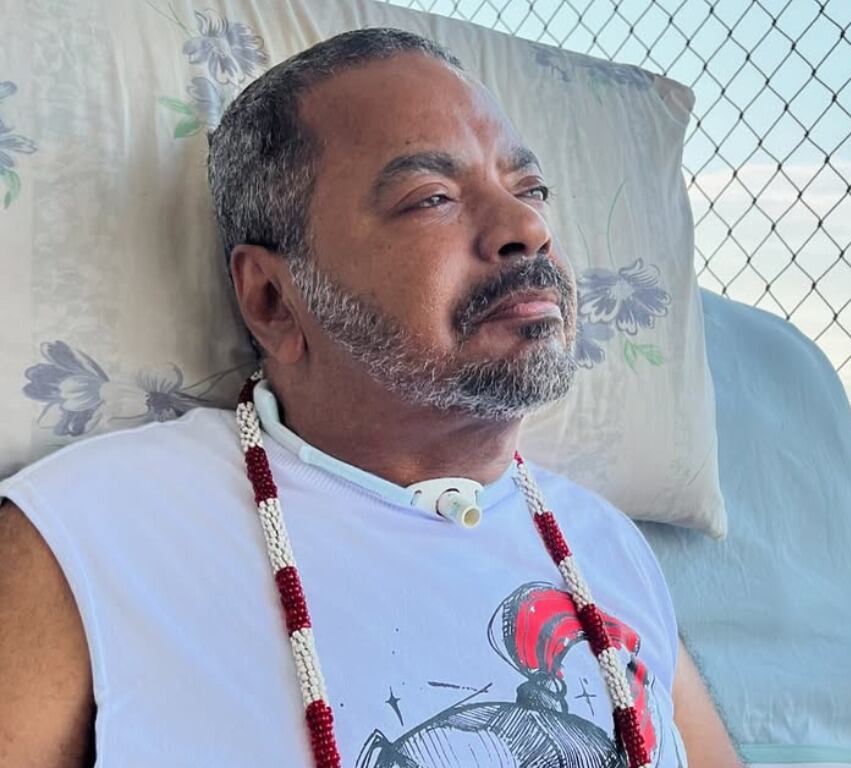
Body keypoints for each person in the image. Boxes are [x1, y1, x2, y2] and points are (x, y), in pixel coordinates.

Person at [0, 28, 742, 768]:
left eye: (530, 190)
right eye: (433, 198)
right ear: (272, 300)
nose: (527, 229)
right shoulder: (92, 536)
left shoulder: (604, 544)